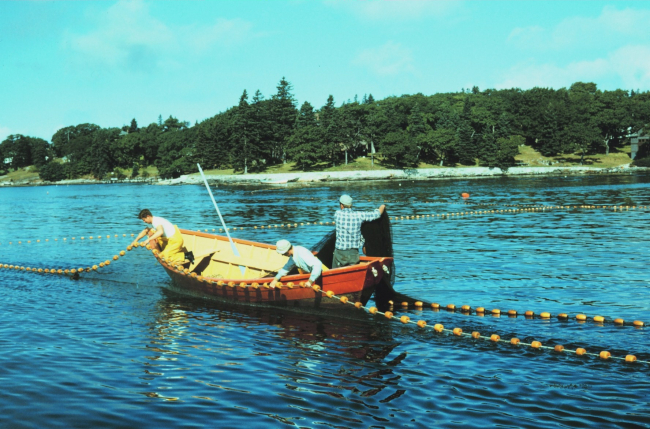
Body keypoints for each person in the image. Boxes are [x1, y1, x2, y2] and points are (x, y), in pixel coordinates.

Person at [333, 194, 385, 268]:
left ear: (341, 205)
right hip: (353, 254)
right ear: (351, 205)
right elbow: (377, 214)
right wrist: (382, 206)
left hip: (340, 253)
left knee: (335, 272)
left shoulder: (337, 214)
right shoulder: (359, 215)